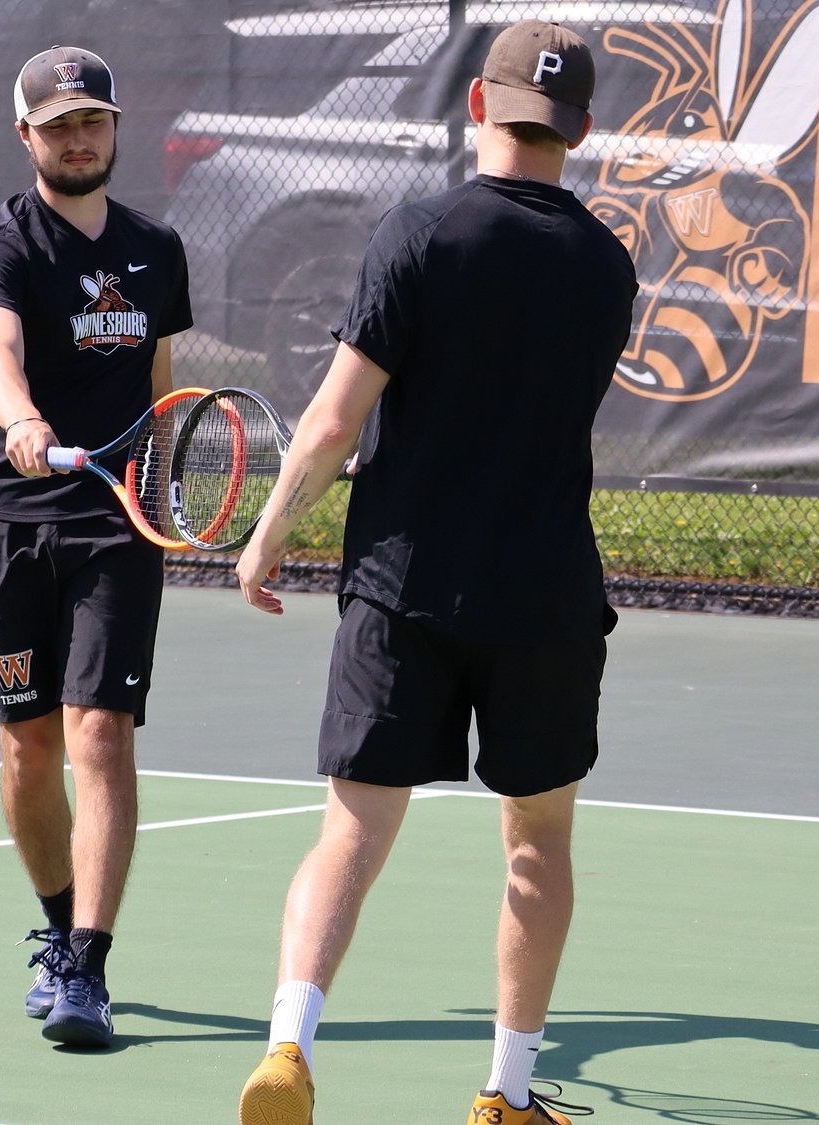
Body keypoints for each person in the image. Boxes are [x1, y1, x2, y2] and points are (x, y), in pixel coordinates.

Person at [229, 20, 636, 1125]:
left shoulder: (415, 233)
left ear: (477, 110)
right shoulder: (607, 266)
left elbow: (330, 419)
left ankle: (287, 1053)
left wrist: (268, 533)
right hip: (541, 597)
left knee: (349, 833)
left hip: (402, 586)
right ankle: (504, 1096)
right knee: (537, 846)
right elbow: (518, 403)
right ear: (580, 129)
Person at [0, 44, 192, 1050]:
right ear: (27, 139)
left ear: (113, 128)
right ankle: (55, 931)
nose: (77, 138)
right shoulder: (0, 243)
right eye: (56, 127)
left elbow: (166, 386)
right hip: (6, 520)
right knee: (28, 744)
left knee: (100, 734)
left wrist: (167, 495)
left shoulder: (156, 249)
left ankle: (87, 968)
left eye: (90, 121)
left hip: (113, 523)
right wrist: (18, 420)